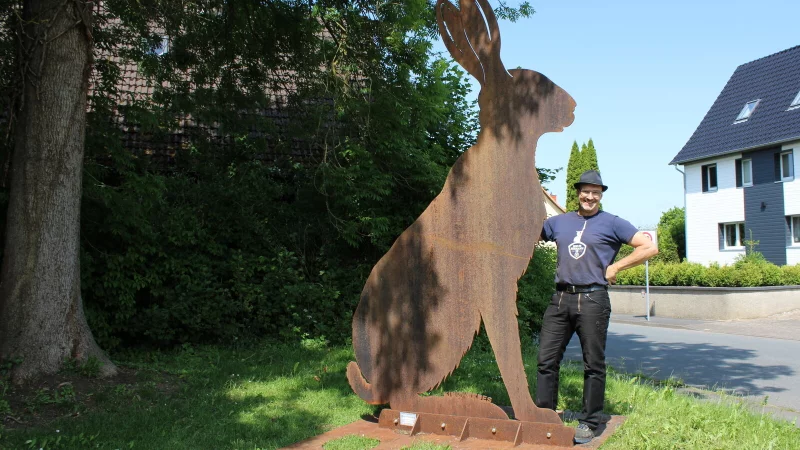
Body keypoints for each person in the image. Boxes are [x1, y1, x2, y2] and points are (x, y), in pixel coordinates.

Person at [534, 170, 658, 444]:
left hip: (593, 300)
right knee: (546, 360)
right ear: (578, 192)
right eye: (585, 191)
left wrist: (616, 266)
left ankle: (589, 422)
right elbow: (528, 233)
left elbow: (648, 247)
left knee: (593, 364)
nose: (589, 196)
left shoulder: (612, 223)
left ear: (601, 195)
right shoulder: (559, 222)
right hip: (560, 299)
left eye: (595, 192)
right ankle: (544, 416)